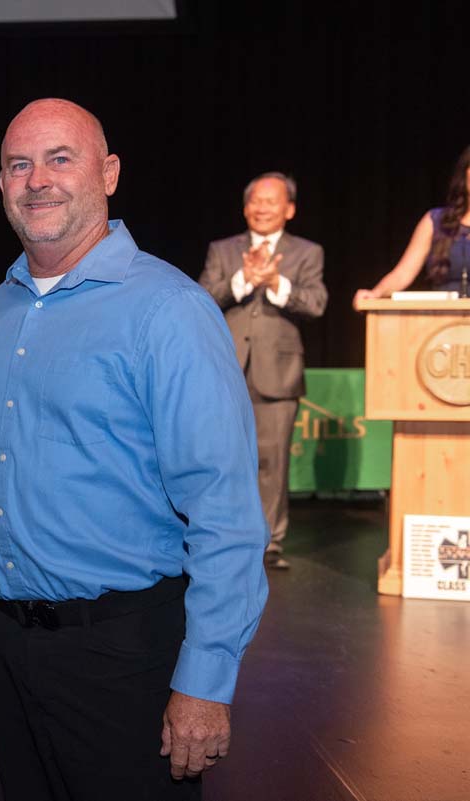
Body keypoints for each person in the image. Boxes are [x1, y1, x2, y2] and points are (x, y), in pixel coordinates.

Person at [0, 98, 268, 801]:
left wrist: (205, 680)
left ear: (109, 172)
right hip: (8, 646)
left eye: (59, 158)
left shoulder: (168, 310)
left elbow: (224, 512)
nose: (37, 178)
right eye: (19, 163)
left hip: (124, 655)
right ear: (2, 184)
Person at [199, 173, 327, 570]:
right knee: (223, 458)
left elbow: (316, 303)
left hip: (278, 371)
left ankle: (269, 543)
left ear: (288, 209)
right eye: (255, 201)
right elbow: (200, 297)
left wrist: (275, 281)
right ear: (245, 207)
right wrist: (244, 279)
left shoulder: (307, 252)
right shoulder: (223, 250)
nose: (262, 208)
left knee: (272, 463)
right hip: (227, 367)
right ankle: (226, 537)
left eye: (271, 201)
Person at [354, 144, 470, 302]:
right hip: (444, 320)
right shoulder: (436, 220)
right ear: (465, 174)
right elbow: (404, 273)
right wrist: (376, 293)